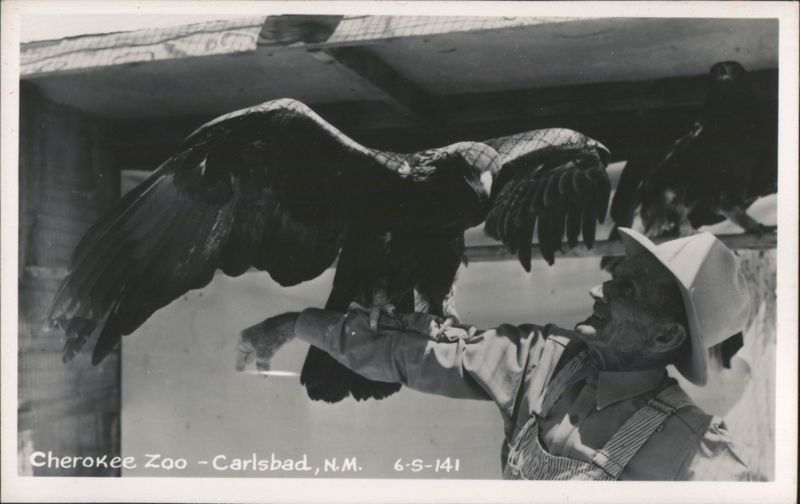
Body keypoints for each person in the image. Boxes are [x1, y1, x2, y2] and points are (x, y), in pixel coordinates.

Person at [236, 228, 752, 480]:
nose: (599, 292)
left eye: (627, 292)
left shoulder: (697, 449)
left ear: (665, 338)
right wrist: (294, 324)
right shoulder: (541, 358)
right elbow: (414, 349)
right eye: (614, 278)